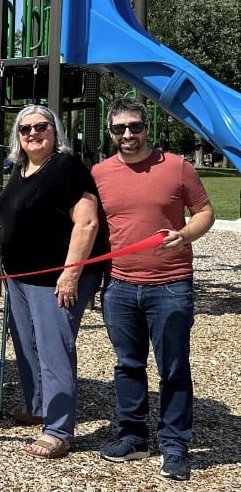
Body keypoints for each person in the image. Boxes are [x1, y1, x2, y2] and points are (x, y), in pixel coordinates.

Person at [92, 98, 214, 481]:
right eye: (119, 129)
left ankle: (175, 445)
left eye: (135, 126)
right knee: (127, 366)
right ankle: (132, 436)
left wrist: (186, 234)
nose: (128, 134)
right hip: (121, 285)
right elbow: (87, 224)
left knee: (174, 368)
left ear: (147, 127)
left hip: (171, 285)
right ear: (110, 132)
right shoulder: (99, 173)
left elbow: (205, 211)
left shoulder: (177, 166)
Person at [0, 104, 105, 459]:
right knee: (27, 347)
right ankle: (36, 406)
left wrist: (71, 273)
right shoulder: (22, 169)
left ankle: (58, 428)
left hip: (54, 279)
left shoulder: (66, 167)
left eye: (41, 126)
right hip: (20, 277)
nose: (33, 133)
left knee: (54, 350)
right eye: (25, 129)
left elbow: (87, 223)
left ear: (55, 130)